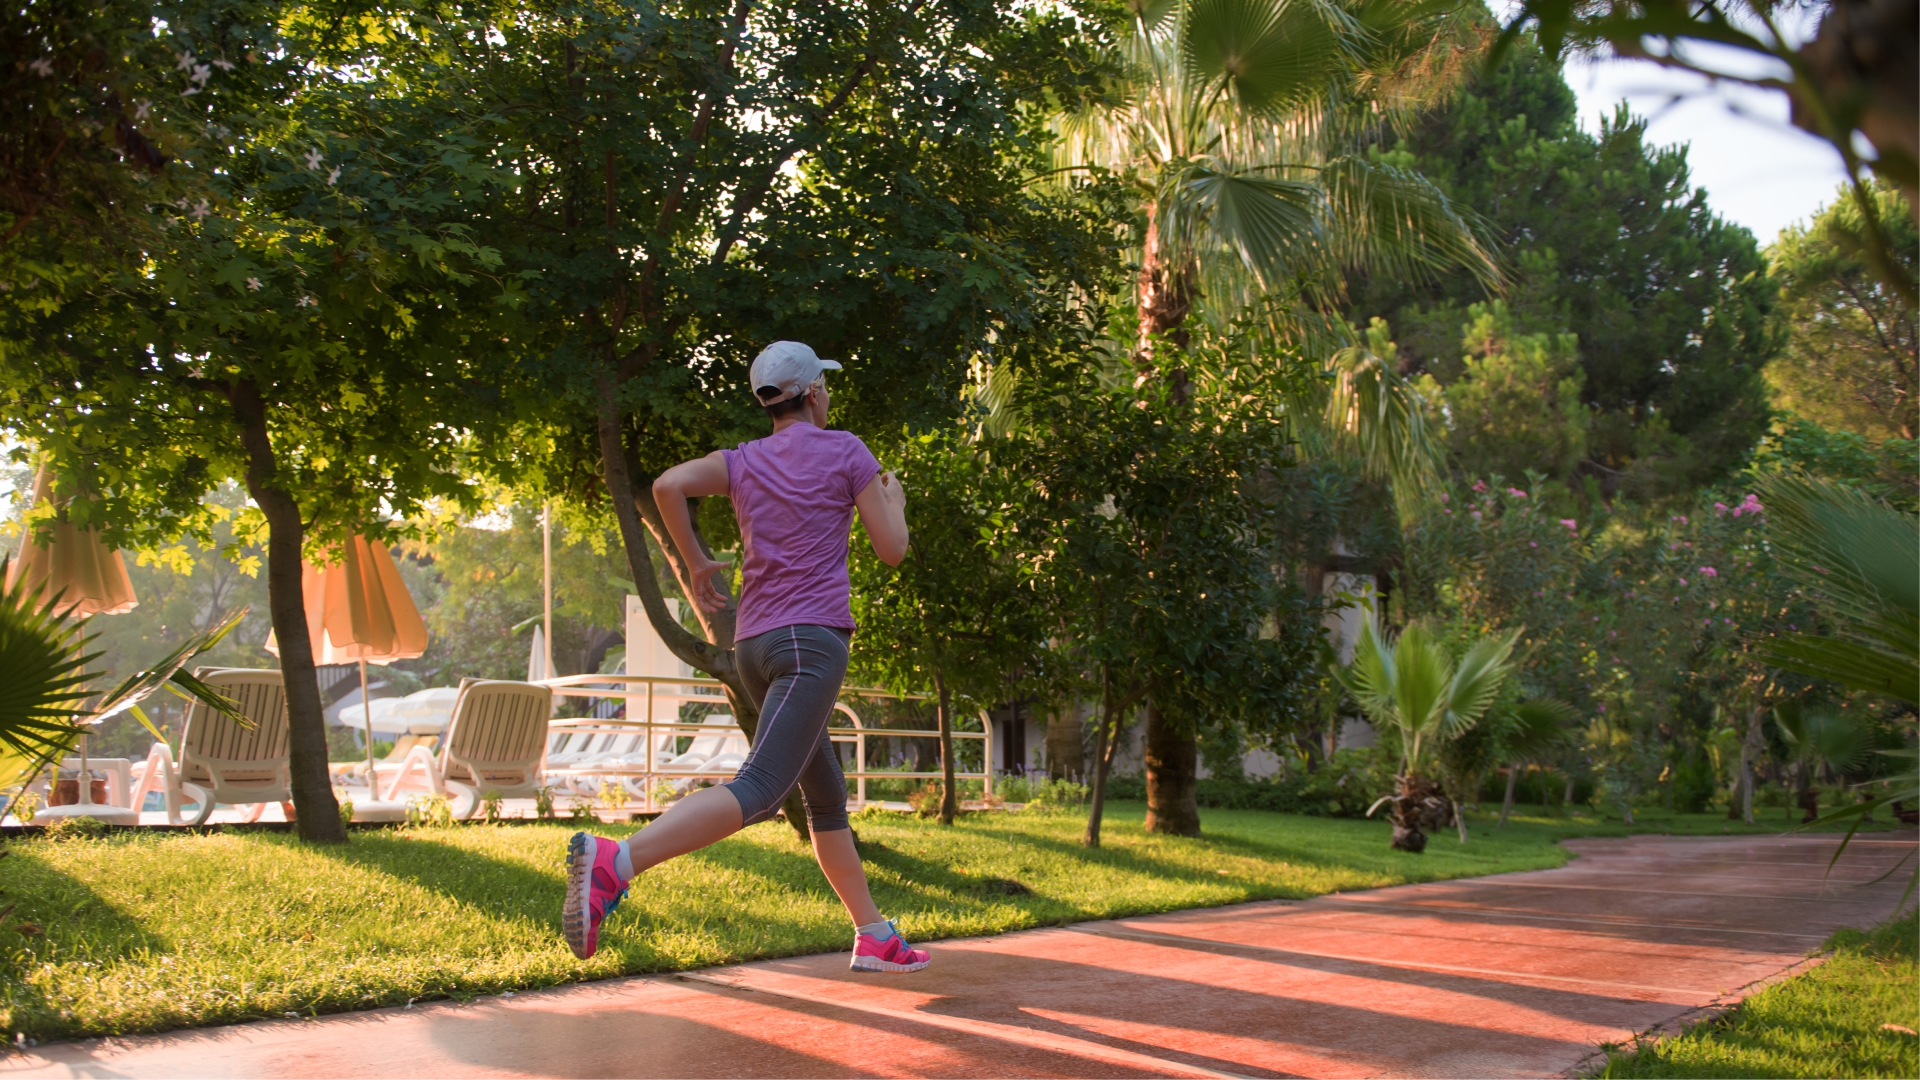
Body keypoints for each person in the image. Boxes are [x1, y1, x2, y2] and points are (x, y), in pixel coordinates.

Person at [562, 340, 929, 973]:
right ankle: (616, 861)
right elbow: (892, 549)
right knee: (760, 787)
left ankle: (873, 934)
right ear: (814, 393)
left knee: (825, 797)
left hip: (754, 646)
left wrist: (697, 562)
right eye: (827, 388)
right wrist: (894, 503)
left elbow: (669, 484)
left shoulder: (744, 460)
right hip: (809, 643)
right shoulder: (846, 450)